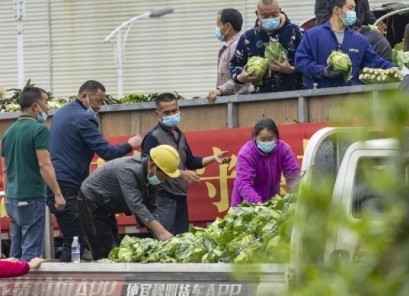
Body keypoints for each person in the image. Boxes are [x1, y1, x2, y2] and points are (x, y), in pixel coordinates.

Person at [48, 80, 143, 262]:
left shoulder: (62, 112)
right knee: (76, 240)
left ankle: (68, 275)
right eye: (98, 101)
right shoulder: (84, 118)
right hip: (68, 185)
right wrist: (130, 145)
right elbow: (107, 152)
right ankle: (65, 278)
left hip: (60, 182)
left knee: (74, 239)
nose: (99, 106)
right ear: (85, 96)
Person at [141, 92, 231, 235]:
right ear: (157, 113)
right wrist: (182, 174)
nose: (172, 115)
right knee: (165, 240)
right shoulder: (153, 137)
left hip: (180, 196)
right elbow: (148, 170)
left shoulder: (179, 134)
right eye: (167, 112)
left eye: (174, 110)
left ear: (179, 109)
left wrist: (213, 158)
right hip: (162, 198)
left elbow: (190, 161)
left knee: (181, 239)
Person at [77, 145, 180, 261]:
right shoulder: (128, 170)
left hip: (106, 206)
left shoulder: (151, 176)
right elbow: (136, 205)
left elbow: (152, 208)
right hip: (90, 201)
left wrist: (160, 236)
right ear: (152, 166)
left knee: (114, 250)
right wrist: (161, 232)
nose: (164, 180)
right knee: (104, 251)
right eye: (164, 177)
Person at [1, 87, 66, 262]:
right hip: (32, 197)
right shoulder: (39, 130)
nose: (47, 107)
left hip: (12, 199)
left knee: (15, 255)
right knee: (30, 255)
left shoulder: (8, 133)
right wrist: (58, 194)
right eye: (45, 102)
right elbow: (44, 164)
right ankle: (28, 281)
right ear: (35, 106)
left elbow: (5, 170)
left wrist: (8, 195)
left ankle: (14, 281)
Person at [295, 0, 396, 89]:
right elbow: (300, 61)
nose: (354, 13)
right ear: (337, 10)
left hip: (350, 96)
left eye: (354, 9)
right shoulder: (313, 35)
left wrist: (398, 69)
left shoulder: (360, 40)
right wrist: (322, 71)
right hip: (320, 96)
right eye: (350, 8)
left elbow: (376, 62)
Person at [230, 0, 304, 93]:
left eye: (274, 14)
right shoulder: (248, 37)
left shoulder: (296, 32)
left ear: (279, 11)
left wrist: (291, 69)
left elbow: (309, 60)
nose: (270, 18)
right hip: (261, 98)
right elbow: (235, 64)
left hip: (295, 95)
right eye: (265, 16)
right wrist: (241, 77)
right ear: (257, 14)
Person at [230, 119, 300, 207]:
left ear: (276, 136)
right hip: (245, 204)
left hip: (271, 201)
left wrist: (296, 195)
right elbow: (244, 183)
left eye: (270, 139)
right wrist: (257, 203)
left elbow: (293, 174)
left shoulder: (283, 148)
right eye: (263, 139)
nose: (267, 142)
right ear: (255, 137)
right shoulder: (246, 153)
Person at [207, 8, 253, 103]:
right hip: (231, 104)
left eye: (218, 25)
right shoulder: (229, 46)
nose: (216, 29)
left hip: (240, 104)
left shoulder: (237, 46)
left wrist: (220, 91)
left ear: (227, 26)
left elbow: (240, 78)